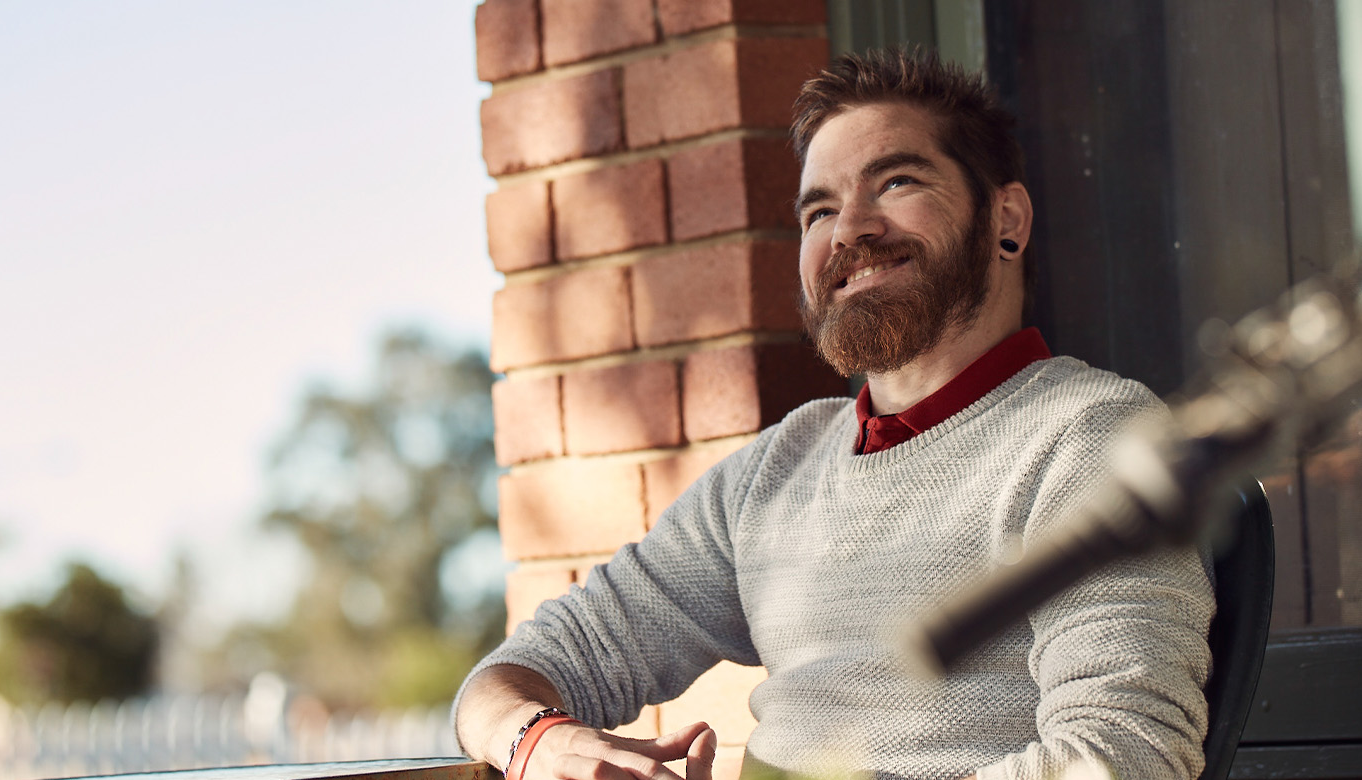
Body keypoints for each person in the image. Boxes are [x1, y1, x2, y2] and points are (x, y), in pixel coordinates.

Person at [454, 48, 1214, 780]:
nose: (849, 229)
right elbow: (512, 677)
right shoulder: (774, 470)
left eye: (895, 182)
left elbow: (1125, 753)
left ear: (1005, 219)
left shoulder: (1093, 437)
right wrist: (537, 744)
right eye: (819, 209)